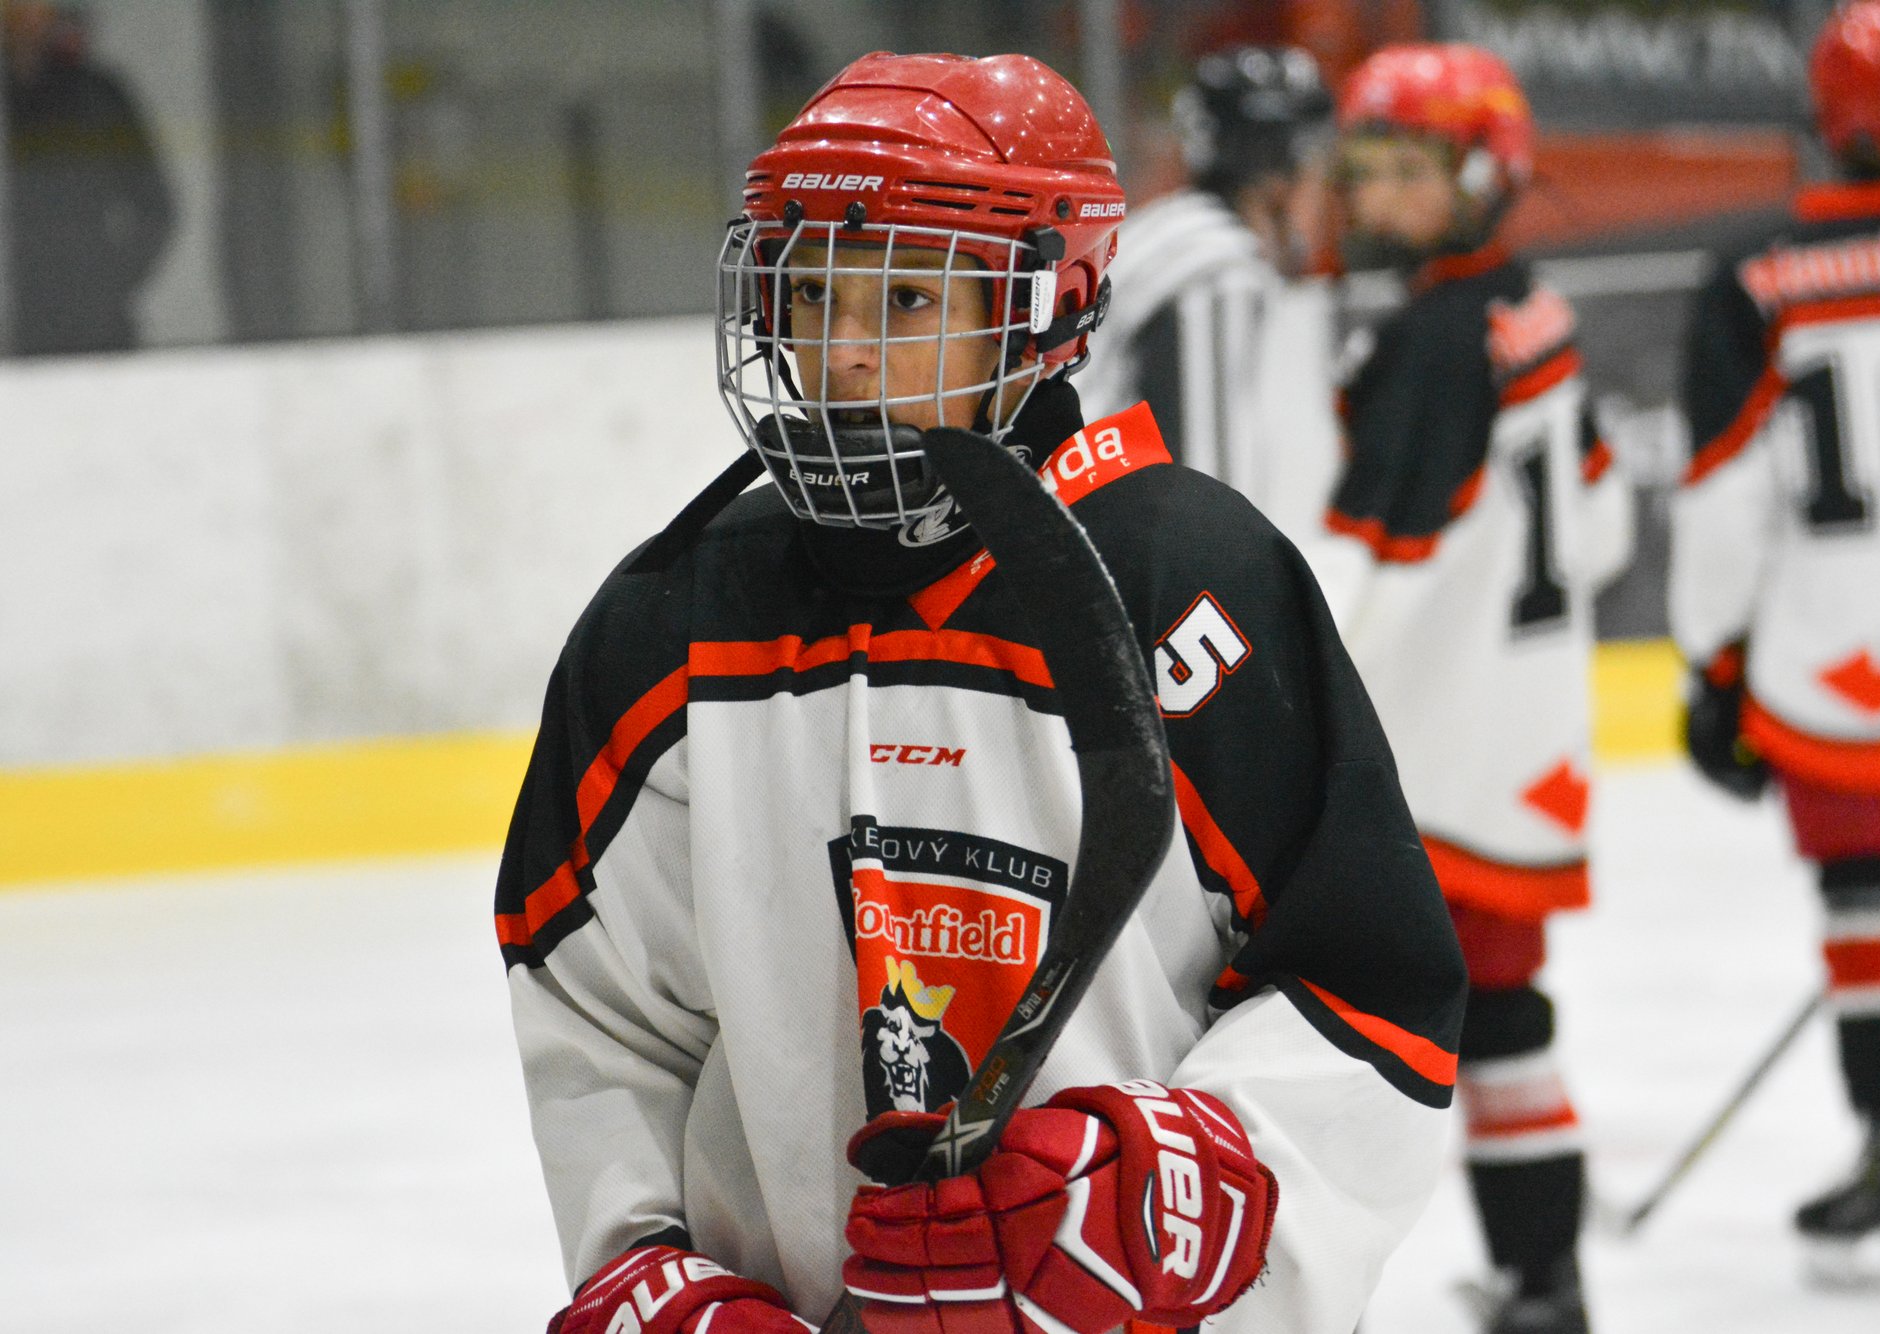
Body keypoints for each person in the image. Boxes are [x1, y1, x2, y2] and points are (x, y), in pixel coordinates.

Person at [497, 51, 1469, 1334]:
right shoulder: (665, 625)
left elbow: (1371, 995)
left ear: (1044, 309)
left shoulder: (1185, 585)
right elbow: (596, 1010)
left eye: (904, 297)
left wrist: (1170, 1187)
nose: (841, 355)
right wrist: (646, 1267)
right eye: (810, 290)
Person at [1670, 0, 1880, 1286]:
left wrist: (1710, 662)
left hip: (1840, 663)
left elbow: (1719, 498)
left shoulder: (1755, 277)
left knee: (1868, 897)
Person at [1315, 43, 1635, 1334]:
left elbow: (1362, 569)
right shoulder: (1531, 307)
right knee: (1505, 1013)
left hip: (1425, 768)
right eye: (1367, 166)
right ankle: (1543, 1277)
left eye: (1409, 166)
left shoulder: (1429, 342)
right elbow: (1602, 527)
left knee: (1331, 1028)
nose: (1377, 193)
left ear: (1483, 174)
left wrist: (1280, 719)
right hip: (1525, 750)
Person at [1075, 44, 1336, 542]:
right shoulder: (1218, 271)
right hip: (1090, 547)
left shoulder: (1172, 231)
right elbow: (1206, 501)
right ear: (1281, 178)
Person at [3, 0, 173, 355]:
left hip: (90, 335)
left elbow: (155, 209)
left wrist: (103, 288)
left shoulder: (96, 95)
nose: (20, 13)